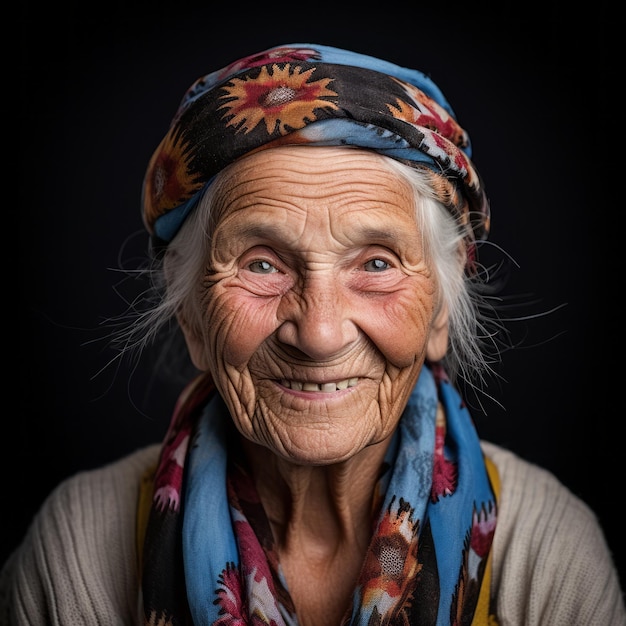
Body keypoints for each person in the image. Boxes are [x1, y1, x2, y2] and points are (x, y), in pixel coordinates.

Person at [1, 42, 624, 626]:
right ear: (191, 317)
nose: (320, 333)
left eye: (377, 263)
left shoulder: (548, 554)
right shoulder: (77, 549)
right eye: (262, 264)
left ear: (438, 315)